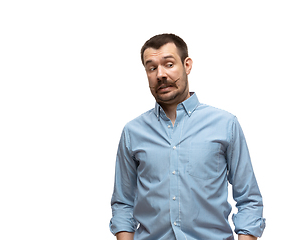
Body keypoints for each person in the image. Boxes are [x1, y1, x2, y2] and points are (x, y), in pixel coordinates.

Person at [109, 33, 266, 240]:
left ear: (187, 65)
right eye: (152, 68)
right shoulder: (133, 131)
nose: (161, 75)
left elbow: (249, 199)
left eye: (169, 64)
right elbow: (123, 203)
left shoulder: (225, 124)